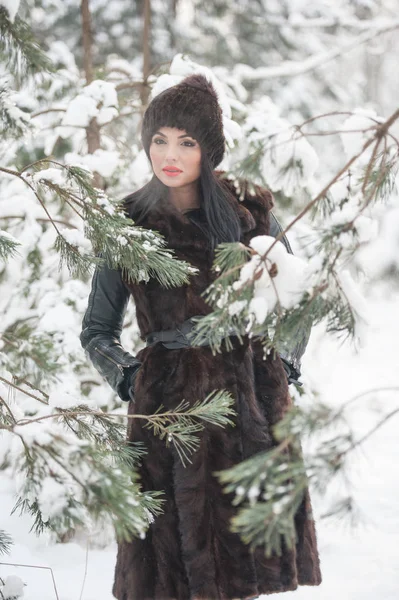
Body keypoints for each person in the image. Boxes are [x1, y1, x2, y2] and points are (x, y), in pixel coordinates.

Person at [80, 73, 322, 600]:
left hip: (249, 407)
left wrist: (282, 369)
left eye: (186, 142)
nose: (169, 154)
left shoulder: (250, 215)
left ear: (207, 149)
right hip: (169, 418)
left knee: (244, 575)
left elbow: (298, 300)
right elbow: (97, 331)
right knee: (170, 578)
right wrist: (132, 378)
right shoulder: (128, 223)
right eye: (159, 139)